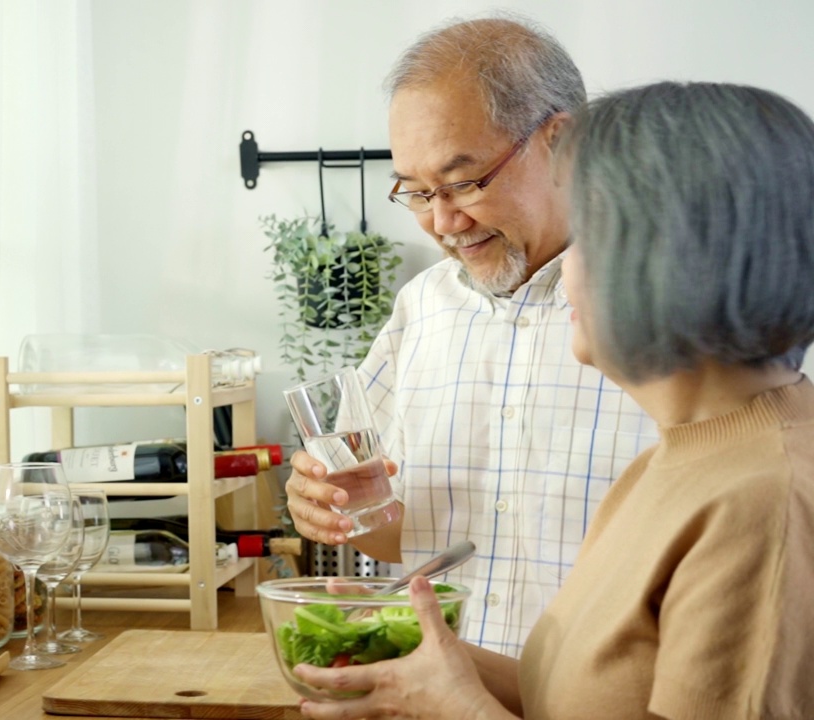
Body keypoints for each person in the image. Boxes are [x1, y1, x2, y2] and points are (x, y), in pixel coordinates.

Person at [294, 80, 814, 720]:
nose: (563, 269)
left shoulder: (765, 504)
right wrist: (423, 652)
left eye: (589, 236)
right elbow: (586, 694)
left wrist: (458, 708)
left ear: (674, 256)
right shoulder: (679, 460)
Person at [285, 15, 653, 655]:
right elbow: (392, 533)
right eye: (418, 192)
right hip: (443, 690)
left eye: (461, 182)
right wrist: (345, 509)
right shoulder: (422, 310)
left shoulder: (675, 308)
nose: (442, 222)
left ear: (561, 141)